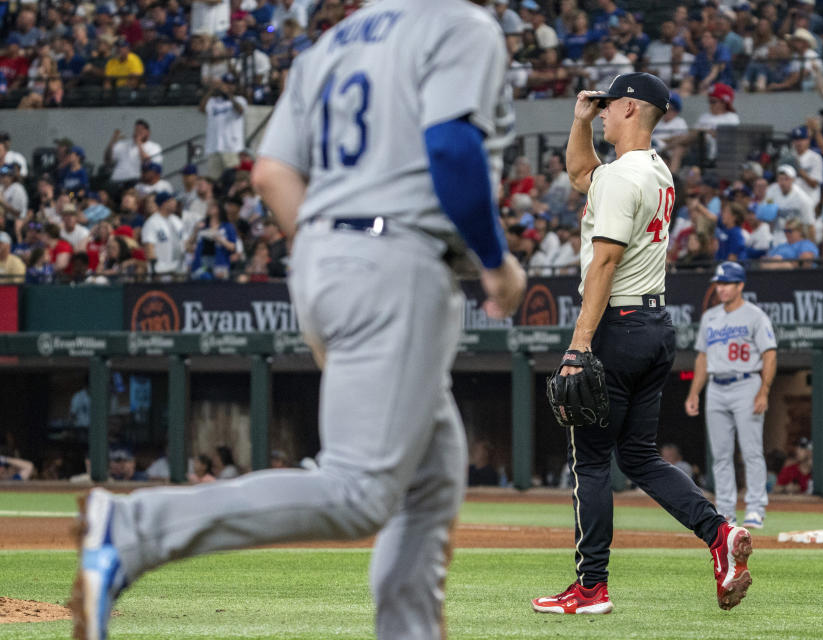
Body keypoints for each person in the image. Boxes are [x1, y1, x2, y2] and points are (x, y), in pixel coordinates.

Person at [70, 3, 527, 640]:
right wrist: (496, 261)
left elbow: (271, 173)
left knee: (432, 476)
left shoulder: (331, 43)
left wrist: (331, 250)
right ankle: (137, 528)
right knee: (360, 492)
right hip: (396, 258)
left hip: (320, 254)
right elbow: (451, 147)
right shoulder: (459, 24)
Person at [532, 74, 753, 617]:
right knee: (640, 456)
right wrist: (579, 122)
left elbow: (604, 262)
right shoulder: (655, 172)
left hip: (616, 325)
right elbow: (583, 172)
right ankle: (719, 534)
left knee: (590, 460)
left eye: (607, 107)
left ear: (630, 107)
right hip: (655, 328)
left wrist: (579, 346)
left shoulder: (621, 178)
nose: (602, 114)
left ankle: (590, 588)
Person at [685, 262, 777, 528]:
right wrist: (694, 393)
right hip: (716, 385)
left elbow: (769, 354)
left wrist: (764, 390)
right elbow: (702, 357)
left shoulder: (755, 315)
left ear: (740, 286)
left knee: (751, 451)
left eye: (727, 284)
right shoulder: (710, 316)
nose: (722, 288)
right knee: (721, 454)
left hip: (746, 382)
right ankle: (725, 511)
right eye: (720, 284)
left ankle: (756, 507)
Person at [200, 73, 247, 180]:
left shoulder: (240, 100)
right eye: (226, 84)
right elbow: (201, 109)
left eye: (231, 84)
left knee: (233, 179)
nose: (229, 86)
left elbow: (240, 110)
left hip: (231, 147)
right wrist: (212, 90)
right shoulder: (213, 101)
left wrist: (229, 95)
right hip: (213, 147)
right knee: (214, 181)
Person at [105, 120, 164, 194]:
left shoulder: (154, 147)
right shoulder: (124, 144)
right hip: (117, 180)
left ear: (147, 132)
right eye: (136, 130)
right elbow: (107, 160)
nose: (137, 133)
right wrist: (113, 141)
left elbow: (148, 164)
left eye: (140, 130)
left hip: (136, 181)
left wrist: (139, 143)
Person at [140, 192, 185, 277]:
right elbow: (149, 247)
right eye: (172, 201)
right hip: (162, 270)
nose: (175, 203)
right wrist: (154, 269)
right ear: (164, 203)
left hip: (179, 268)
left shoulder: (177, 221)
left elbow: (184, 242)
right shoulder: (152, 222)